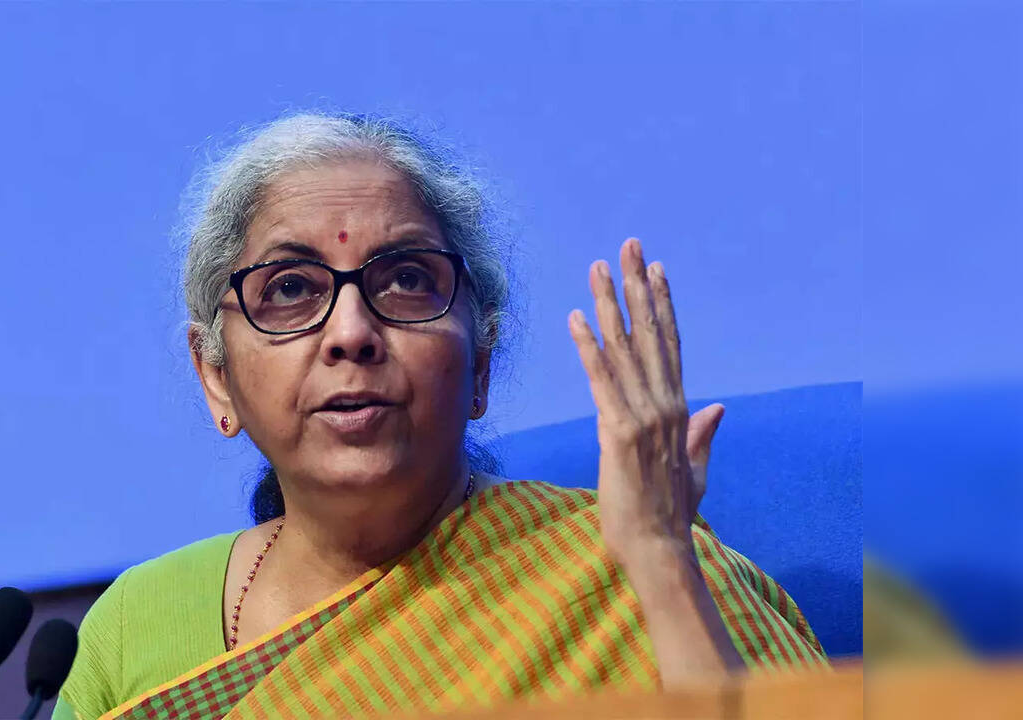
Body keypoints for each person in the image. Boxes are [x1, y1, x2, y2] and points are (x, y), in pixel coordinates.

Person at [53, 112, 825, 720]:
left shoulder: (626, 565)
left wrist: (658, 562)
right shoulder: (135, 628)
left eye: (406, 280)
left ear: (480, 363)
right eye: (290, 289)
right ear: (216, 376)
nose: (351, 333)